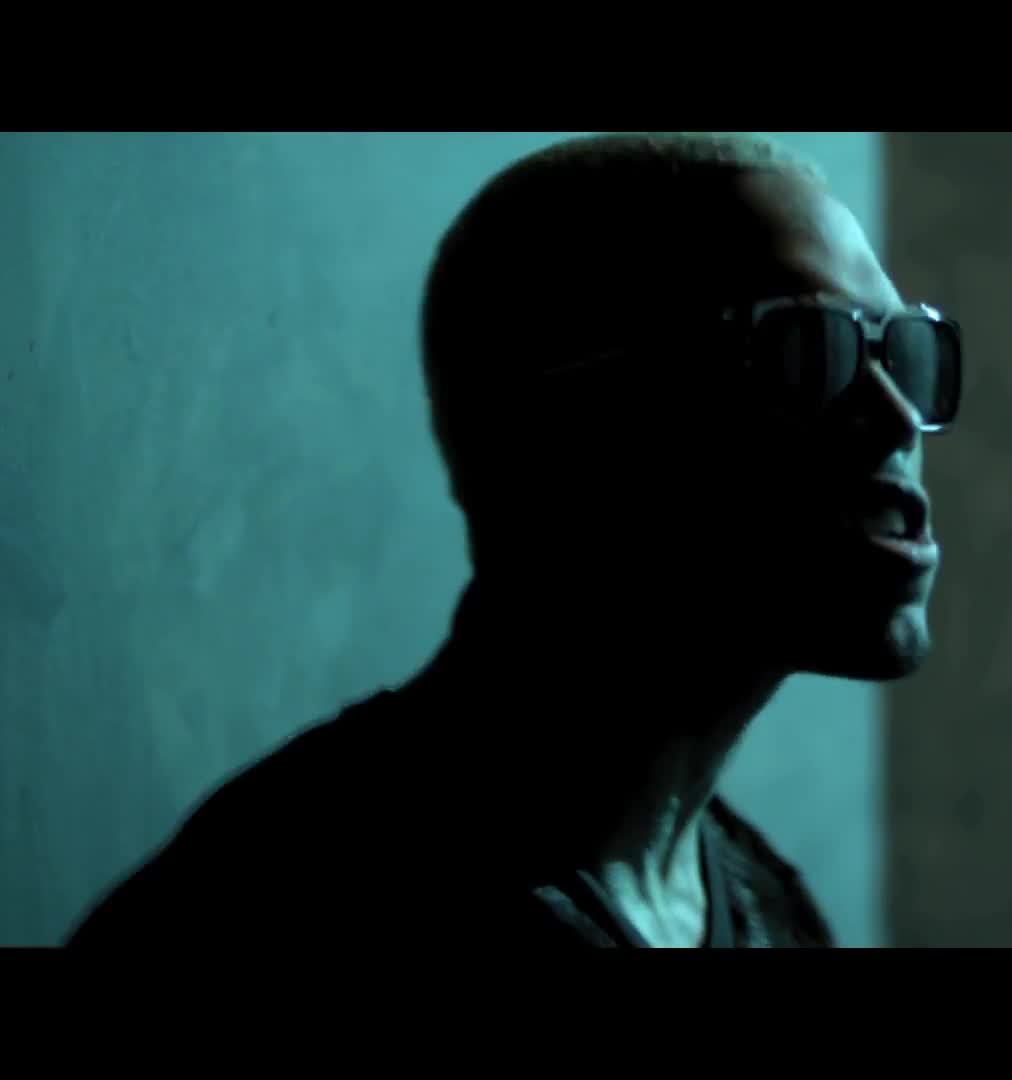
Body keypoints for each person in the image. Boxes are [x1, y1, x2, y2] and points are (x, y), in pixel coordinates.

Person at [66, 132, 963, 948]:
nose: (896, 420)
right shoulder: (283, 902)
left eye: (907, 356)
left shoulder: (769, 911)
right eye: (808, 350)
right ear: (561, 434)